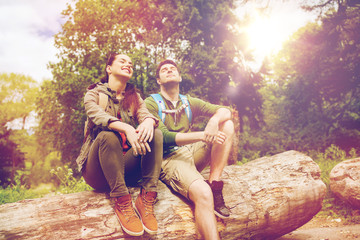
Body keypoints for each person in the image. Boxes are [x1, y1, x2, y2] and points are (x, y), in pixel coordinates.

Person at [145, 59, 235, 240]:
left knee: (227, 124)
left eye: (173, 69)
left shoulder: (188, 102)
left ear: (179, 77)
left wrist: (213, 121)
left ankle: (215, 184)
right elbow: (165, 138)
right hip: (168, 158)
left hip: (191, 152)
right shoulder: (151, 103)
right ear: (159, 81)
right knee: (203, 194)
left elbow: (225, 111)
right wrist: (203, 134)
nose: (169, 70)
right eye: (164, 70)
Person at [76, 53, 163, 236]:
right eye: (122, 61)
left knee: (156, 133)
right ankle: (122, 200)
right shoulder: (93, 93)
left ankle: (146, 198)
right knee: (108, 135)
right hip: (97, 172)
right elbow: (97, 115)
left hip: (126, 168)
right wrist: (125, 128)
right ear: (109, 68)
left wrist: (148, 121)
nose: (128, 65)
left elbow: (145, 114)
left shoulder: (134, 97)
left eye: (131, 63)